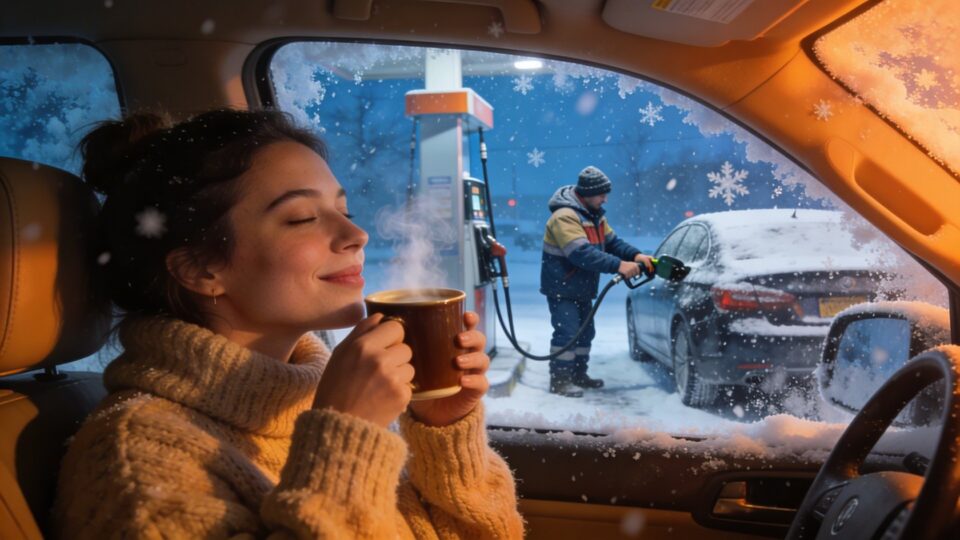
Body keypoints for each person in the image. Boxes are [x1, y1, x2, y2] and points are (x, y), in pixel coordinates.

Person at [54, 109, 525, 539]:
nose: (356, 236)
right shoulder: (138, 462)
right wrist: (345, 435)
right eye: (302, 218)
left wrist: (444, 434)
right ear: (200, 269)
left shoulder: (309, 408)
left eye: (345, 211)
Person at [540, 166, 654, 397]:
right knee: (567, 333)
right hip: (562, 287)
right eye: (602, 194)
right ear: (588, 193)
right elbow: (580, 253)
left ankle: (578, 375)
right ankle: (560, 381)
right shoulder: (565, 216)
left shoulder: (595, 216)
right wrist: (619, 265)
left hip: (581, 288)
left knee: (585, 333)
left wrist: (635, 255)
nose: (605, 199)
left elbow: (613, 243)